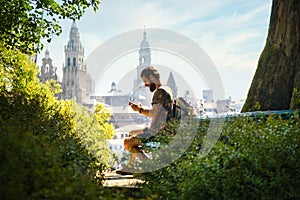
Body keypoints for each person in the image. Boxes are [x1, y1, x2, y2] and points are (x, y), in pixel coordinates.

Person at [116, 66, 173, 175]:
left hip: (158, 132)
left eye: (145, 81)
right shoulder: (167, 89)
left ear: (151, 77)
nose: (146, 84)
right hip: (160, 129)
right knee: (132, 133)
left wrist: (139, 109)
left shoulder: (160, 92)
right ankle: (130, 166)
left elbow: (154, 114)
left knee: (127, 142)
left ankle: (150, 166)